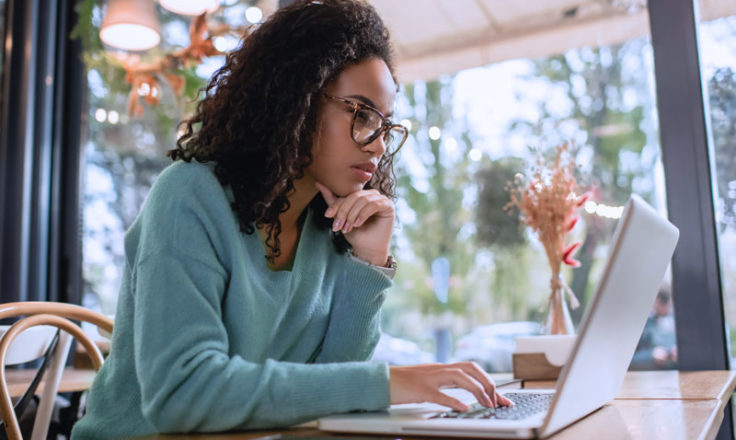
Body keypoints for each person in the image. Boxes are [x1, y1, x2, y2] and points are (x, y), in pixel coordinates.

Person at [71, 1, 510, 438]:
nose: (377, 145)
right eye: (360, 113)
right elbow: (183, 393)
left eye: (385, 124)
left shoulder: (330, 224)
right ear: (292, 98)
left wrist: (368, 263)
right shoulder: (189, 194)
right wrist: (390, 383)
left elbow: (335, 391)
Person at [631, 287, 677, 370]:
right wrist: (651, 355)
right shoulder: (643, 325)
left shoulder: (675, 319)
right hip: (653, 372)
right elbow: (629, 360)